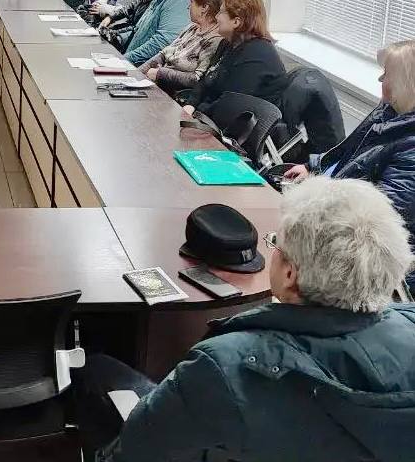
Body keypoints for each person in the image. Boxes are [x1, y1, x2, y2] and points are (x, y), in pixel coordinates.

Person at [93, 176, 415, 462]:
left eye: (276, 243)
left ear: (290, 275)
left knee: (96, 369)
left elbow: (135, 451)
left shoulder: (223, 367)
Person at [283, 39, 415, 287]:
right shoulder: (387, 112)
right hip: (337, 223)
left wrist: (318, 206)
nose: (380, 79)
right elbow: (347, 148)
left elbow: (380, 217)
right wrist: (313, 167)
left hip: (369, 263)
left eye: (387, 73)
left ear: (404, 83)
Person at [180, 0, 285, 117]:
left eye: (221, 12)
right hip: (210, 115)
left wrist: (196, 112)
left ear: (236, 21)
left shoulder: (258, 55)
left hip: (232, 123)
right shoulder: (227, 44)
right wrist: (190, 105)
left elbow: (229, 106)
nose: (216, 17)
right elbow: (206, 80)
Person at [139, 0, 226, 96]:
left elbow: (197, 79)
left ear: (204, 7)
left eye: (192, 3)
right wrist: (137, 74)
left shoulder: (214, 41)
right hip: (156, 85)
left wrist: (160, 73)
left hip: (173, 96)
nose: (188, 7)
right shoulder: (191, 28)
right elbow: (163, 54)